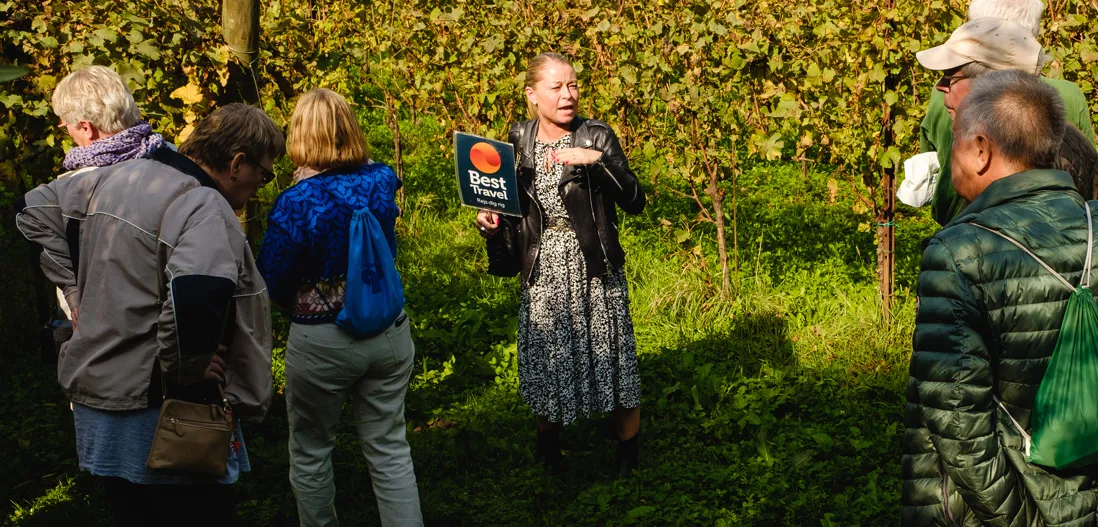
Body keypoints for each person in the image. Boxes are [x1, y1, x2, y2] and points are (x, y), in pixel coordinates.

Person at [16, 103, 283, 527]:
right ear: (237, 163)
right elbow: (196, 293)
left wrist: (72, 289)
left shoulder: (115, 176)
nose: (261, 185)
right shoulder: (202, 205)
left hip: (99, 402)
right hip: (163, 419)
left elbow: (31, 209)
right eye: (264, 174)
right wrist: (186, 369)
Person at [903, 70, 1098, 525]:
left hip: (992, 509)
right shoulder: (1093, 223)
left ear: (982, 149)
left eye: (954, 140)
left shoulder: (959, 251)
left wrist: (1021, 519)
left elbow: (959, 427)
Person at [257, 88, 422, 527]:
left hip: (323, 339)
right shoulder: (383, 179)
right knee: (390, 448)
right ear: (350, 127)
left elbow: (272, 276)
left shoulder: (295, 203)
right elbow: (378, 179)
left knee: (311, 452)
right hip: (389, 331)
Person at [476, 52, 646, 477]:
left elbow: (635, 200)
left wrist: (598, 163)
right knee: (546, 357)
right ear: (533, 95)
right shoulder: (518, 140)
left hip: (594, 263)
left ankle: (628, 456)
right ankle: (548, 451)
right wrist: (491, 223)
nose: (568, 95)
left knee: (612, 356)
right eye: (556, 87)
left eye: (572, 85)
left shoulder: (596, 136)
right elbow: (511, 207)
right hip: (544, 264)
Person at [918, 0, 1095, 225]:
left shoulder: (968, 241)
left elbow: (945, 198)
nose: (939, 86)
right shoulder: (1071, 134)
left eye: (950, 76)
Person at [42, 65, 169, 342]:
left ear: (86, 128)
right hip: (167, 330)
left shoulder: (74, 188)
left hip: (99, 335)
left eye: (66, 126)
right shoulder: (172, 160)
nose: (69, 136)